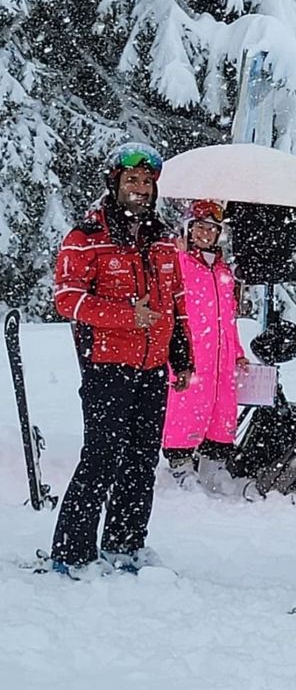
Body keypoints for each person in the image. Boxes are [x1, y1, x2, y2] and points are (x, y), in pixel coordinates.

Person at [51, 142, 193, 576]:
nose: (141, 188)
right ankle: (72, 552)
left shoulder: (163, 240)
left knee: (141, 460)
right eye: (132, 180)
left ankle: (125, 545)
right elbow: (66, 299)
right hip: (107, 367)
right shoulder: (87, 238)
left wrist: (181, 356)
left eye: (148, 181)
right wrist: (125, 316)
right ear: (114, 183)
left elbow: (177, 302)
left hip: (152, 371)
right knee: (101, 458)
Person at [161, 200, 249, 492]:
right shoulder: (180, 263)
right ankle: (180, 464)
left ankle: (215, 464)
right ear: (189, 229)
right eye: (200, 227)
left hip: (222, 355)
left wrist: (237, 353)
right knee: (186, 406)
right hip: (192, 351)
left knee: (222, 408)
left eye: (212, 229)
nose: (206, 234)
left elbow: (229, 319)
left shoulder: (223, 272)